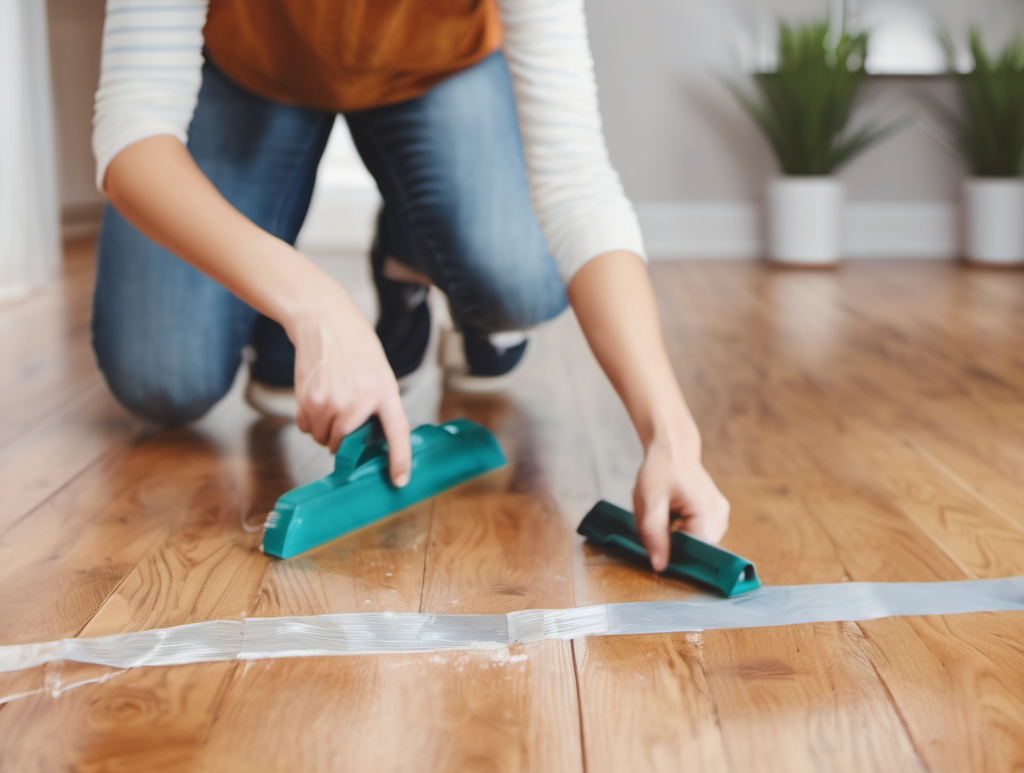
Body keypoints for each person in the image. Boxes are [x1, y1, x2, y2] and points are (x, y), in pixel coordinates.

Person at [91, 0, 730, 570]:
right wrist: (313, 306)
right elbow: (133, 132)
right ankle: (266, 304)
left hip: (437, 73)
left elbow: (576, 185)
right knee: (162, 378)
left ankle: (409, 251)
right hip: (253, 71)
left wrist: (671, 437)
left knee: (522, 281)